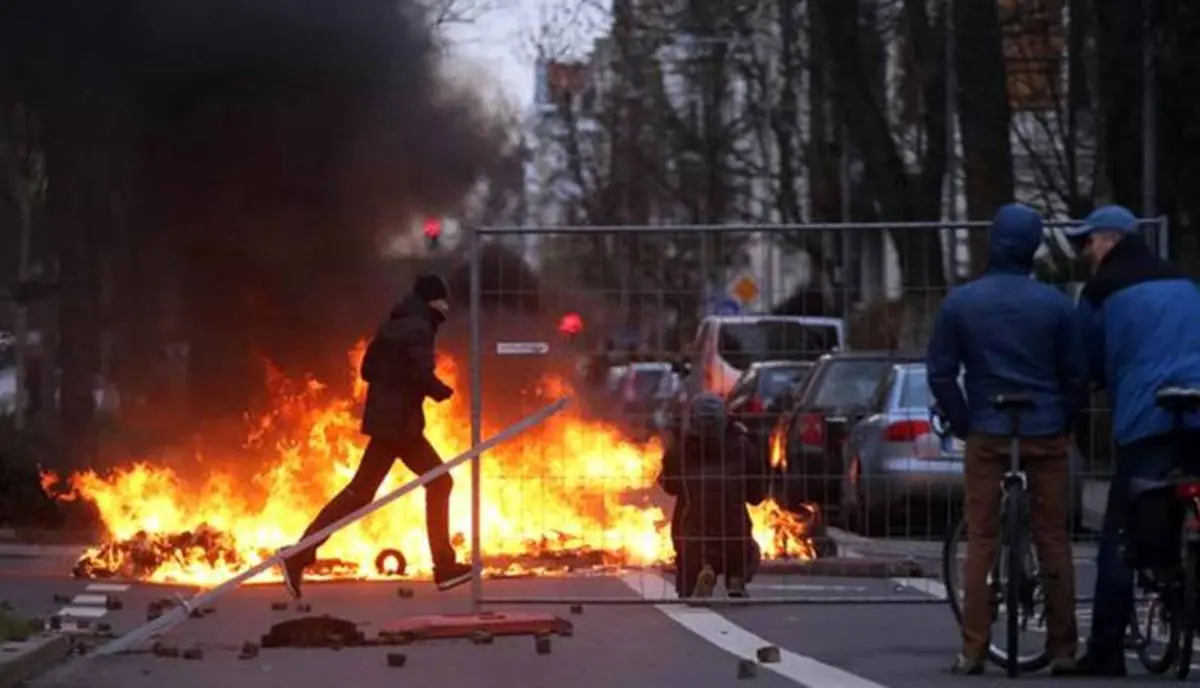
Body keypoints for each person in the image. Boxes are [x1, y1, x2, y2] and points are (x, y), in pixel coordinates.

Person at [926, 203, 1086, 675]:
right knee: (1053, 536)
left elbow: (940, 374)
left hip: (988, 429)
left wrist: (964, 421)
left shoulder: (961, 302)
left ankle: (974, 648)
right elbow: (1075, 375)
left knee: (980, 538)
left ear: (993, 242)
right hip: (1043, 429)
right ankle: (1063, 649)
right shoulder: (1056, 304)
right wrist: (1064, 420)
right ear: (1034, 248)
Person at [1055, 205, 1200, 676]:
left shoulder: (1102, 291)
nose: (1085, 252)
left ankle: (1106, 649)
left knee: (1121, 533)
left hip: (1149, 417)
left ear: (1110, 240)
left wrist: (1075, 408)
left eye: (1089, 242)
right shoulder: (1184, 282)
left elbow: (1084, 362)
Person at [280, 273, 473, 598]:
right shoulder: (419, 327)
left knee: (360, 492)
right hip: (399, 424)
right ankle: (444, 566)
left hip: (389, 420)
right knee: (439, 482)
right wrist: (438, 390)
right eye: (443, 301)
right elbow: (417, 371)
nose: (446, 308)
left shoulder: (392, 324)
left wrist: (396, 381)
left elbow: (369, 370)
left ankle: (300, 554)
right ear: (433, 301)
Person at [657, 392, 766, 599]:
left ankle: (698, 574)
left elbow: (669, 486)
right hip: (735, 535)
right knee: (747, 547)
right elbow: (756, 495)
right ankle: (736, 577)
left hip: (691, 535)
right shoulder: (742, 446)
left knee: (686, 544)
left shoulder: (681, 448)